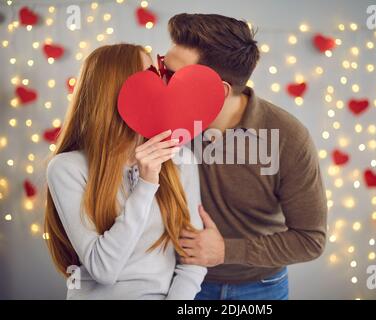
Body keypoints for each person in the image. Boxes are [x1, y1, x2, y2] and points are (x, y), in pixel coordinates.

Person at [161, 13, 328, 300]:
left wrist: (226, 250)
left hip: (260, 289)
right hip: (178, 282)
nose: (163, 83)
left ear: (218, 91)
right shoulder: (160, 121)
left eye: (175, 77)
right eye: (164, 68)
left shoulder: (288, 137)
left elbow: (310, 240)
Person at [44, 44, 206, 300]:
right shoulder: (66, 168)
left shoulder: (180, 159)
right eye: (151, 74)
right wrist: (145, 184)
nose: (163, 82)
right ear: (118, 90)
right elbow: (103, 270)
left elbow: (193, 259)